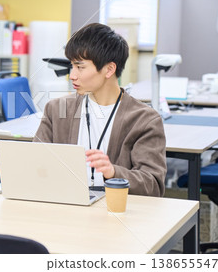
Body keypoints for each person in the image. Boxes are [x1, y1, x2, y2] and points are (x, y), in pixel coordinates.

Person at [34, 23, 166, 196]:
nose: (72, 75)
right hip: (63, 204)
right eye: (72, 66)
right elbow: (35, 164)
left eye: (80, 67)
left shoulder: (144, 120)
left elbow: (153, 184)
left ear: (109, 69)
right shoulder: (57, 110)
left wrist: (113, 173)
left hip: (115, 212)